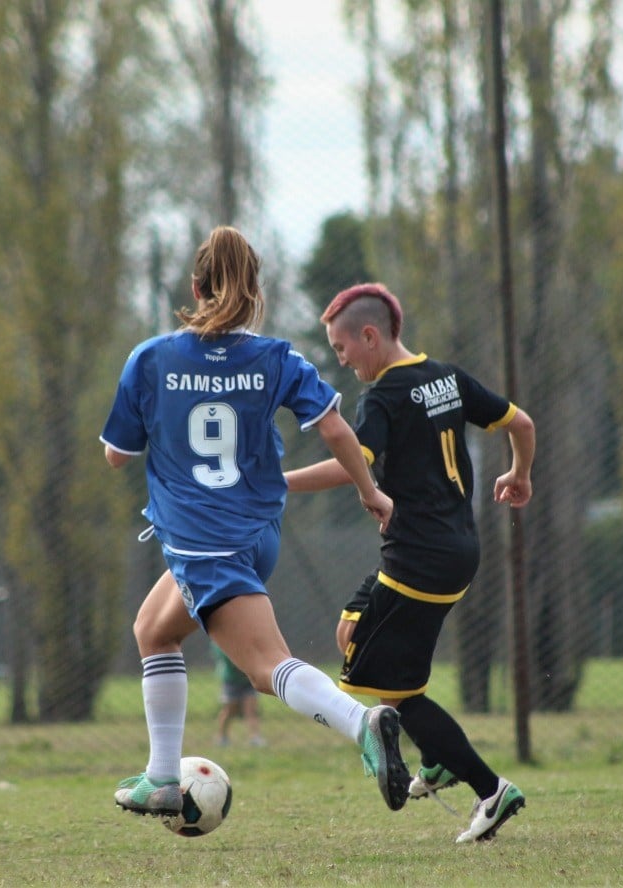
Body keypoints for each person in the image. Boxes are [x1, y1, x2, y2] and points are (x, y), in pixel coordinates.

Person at [100, 227, 411, 820]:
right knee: (153, 629)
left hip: (201, 539)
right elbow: (337, 430)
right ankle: (162, 779)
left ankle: (363, 723)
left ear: (195, 287)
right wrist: (370, 493)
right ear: (255, 290)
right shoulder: (278, 358)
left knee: (267, 668)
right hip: (256, 531)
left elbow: (118, 453)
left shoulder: (152, 358)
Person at [284, 282, 535, 844]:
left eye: (342, 347)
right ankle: (439, 759)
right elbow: (523, 425)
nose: (341, 359)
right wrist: (519, 474)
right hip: (451, 549)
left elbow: (354, 467)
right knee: (352, 629)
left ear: (370, 336)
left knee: (392, 693)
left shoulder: (384, 397)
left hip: (420, 558)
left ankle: (491, 789)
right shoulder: (446, 376)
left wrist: (276, 485)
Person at [210, 640, 265, 747]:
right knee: (230, 710)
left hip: (249, 679)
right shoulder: (220, 638)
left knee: (251, 709)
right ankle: (222, 736)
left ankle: (255, 737)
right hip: (232, 680)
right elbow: (221, 654)